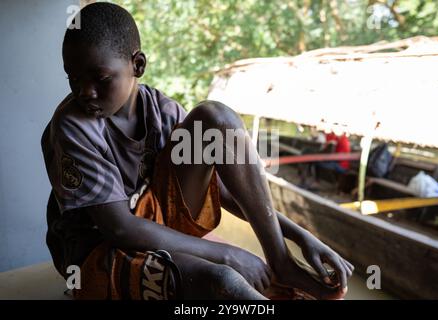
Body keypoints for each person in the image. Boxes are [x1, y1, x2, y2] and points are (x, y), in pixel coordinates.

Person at [41, 2, 353, 300]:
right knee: (224, 283)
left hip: (155, 224)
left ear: (137, 65)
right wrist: (227, 254)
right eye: (74, 78)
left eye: (100, 78)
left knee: (216, 118)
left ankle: (281, 261)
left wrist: (298, 236)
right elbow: (119, 226)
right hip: (99, 248)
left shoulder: (161, 111)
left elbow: (222, 190)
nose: (85, 92)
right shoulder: (73, 126)